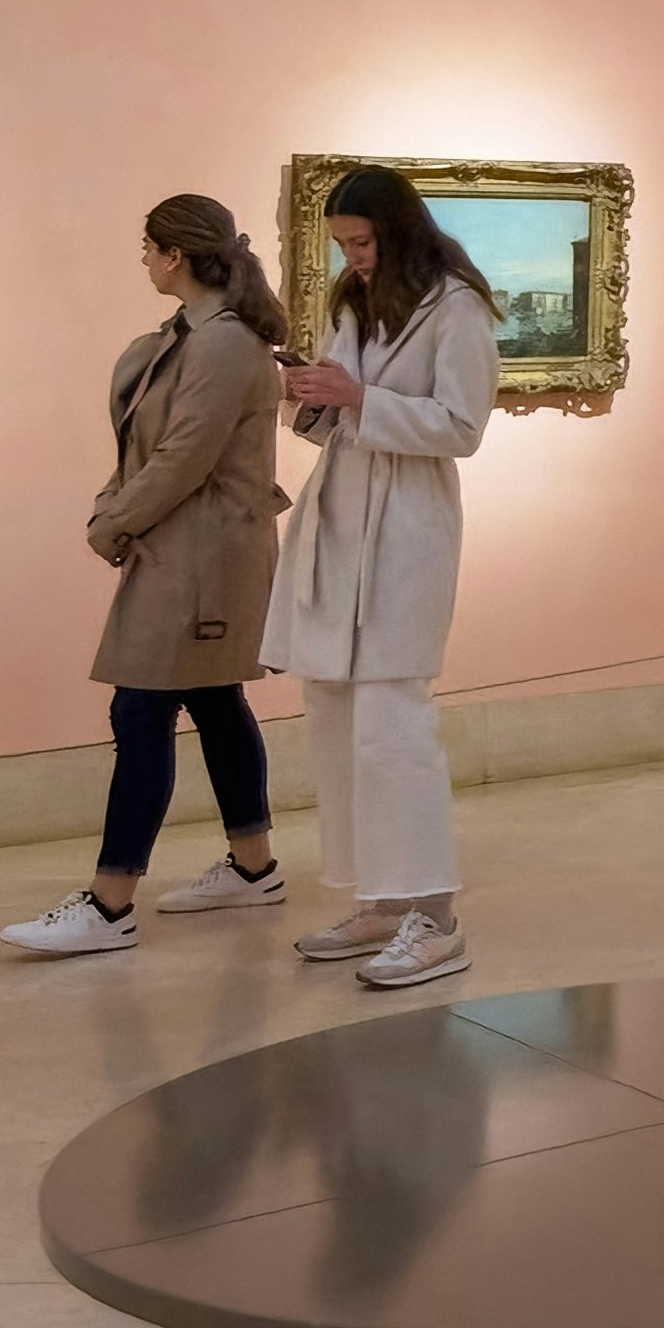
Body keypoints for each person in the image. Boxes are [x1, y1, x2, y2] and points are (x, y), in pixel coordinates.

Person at [1, 195, 298, 958]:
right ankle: (255, 867)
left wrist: (114, 522)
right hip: (186, 548)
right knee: (213, 698)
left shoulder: (224, 344)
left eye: (148, 247)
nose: (142, 259)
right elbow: (148, 446)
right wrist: (118, 506)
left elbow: (185, 456)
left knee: (141, 712)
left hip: (202, 554)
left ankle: (109, 904)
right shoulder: (187, 336)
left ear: (174, 255)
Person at [268, 165, 503, 993]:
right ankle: (378, 896)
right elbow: (340, 412)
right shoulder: (350, 305)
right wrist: (314, 396)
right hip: (339, 521)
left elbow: (462, 428)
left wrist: (361, 398)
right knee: (333, 714)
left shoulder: (459, 309)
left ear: (398, 231)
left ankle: (434, 917)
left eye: (363, 242)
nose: (355, 258)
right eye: (343, 245)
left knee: (391, 723)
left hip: (407, 528)